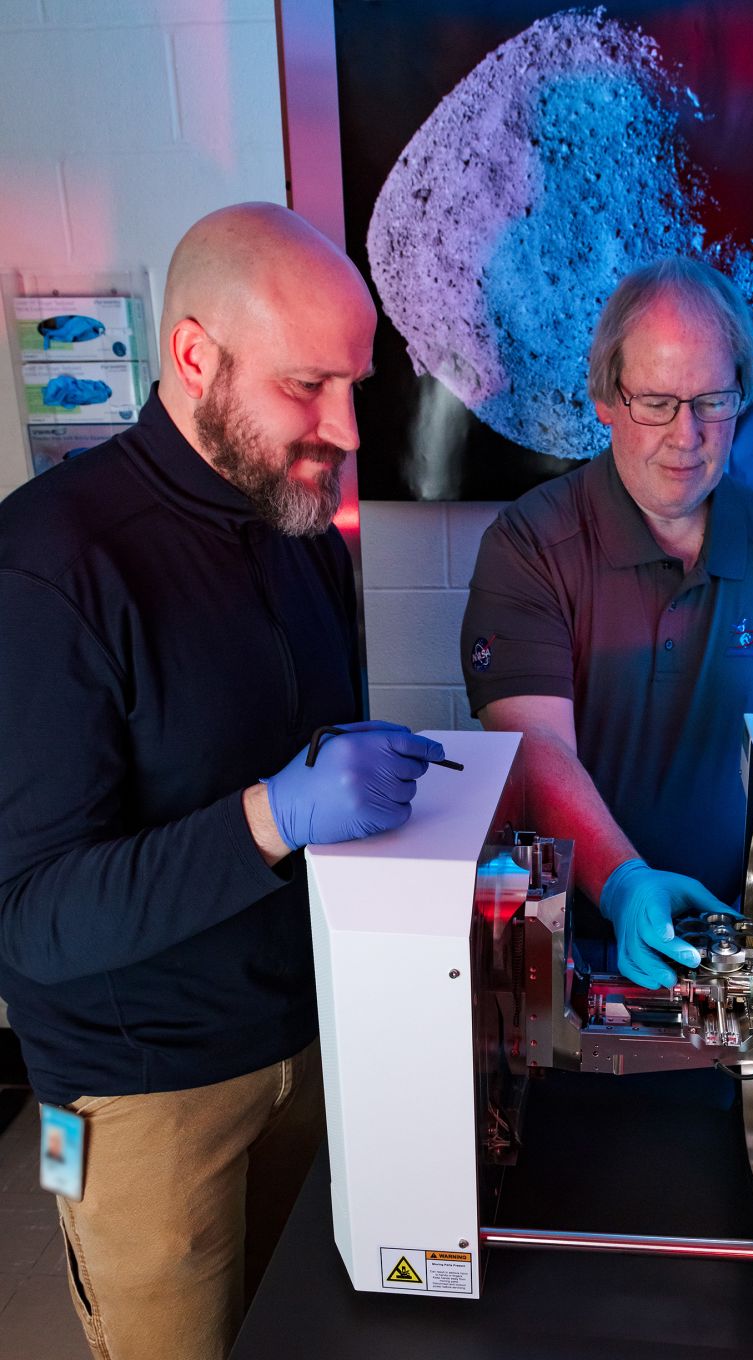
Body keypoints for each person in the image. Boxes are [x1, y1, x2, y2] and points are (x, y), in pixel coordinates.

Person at [0, 203, 444, 1360]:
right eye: (308, 387)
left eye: (356, 383)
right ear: (195, 357)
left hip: (308, 1041)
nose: (344, 427)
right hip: (139, 1098)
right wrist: (272, 813)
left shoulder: (301, 534)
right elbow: (29, 918)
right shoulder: (50, 569)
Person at [461, 258, 753, 991]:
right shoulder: (530, 545)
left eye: (712, 401)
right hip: (566, 953)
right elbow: (536, 749)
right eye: (657, 402)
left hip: (730, 951)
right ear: (606, 400)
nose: (686, 435)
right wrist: (629, 884)